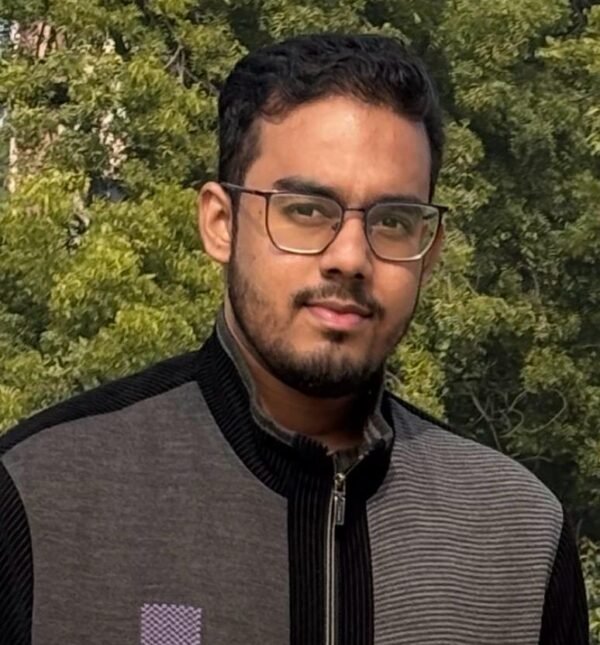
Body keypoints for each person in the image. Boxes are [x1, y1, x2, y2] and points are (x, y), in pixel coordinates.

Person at [0, 33, 589, 645]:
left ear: (429, 250)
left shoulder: (516, 536)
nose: (350, 258)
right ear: (221, 223)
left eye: (392, 221)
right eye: (307, 210)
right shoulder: (43, 496)